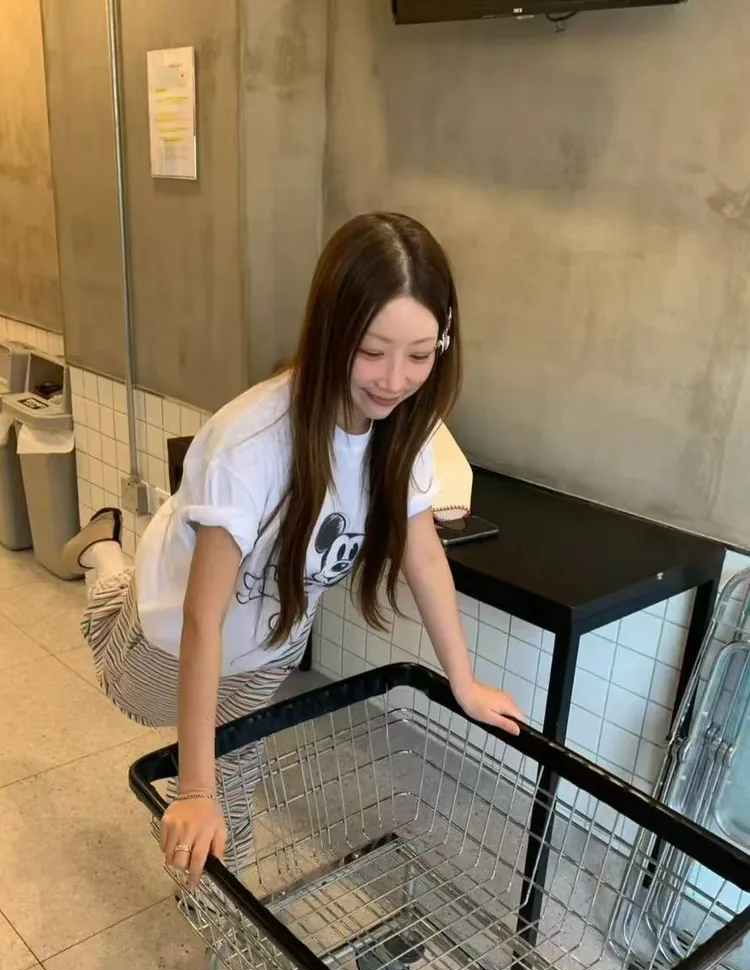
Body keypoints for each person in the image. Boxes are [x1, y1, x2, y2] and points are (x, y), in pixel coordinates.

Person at [63, 212, 522, 889]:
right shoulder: (251, 440)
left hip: (269, 644)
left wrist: (464, 679)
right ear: (331, 329)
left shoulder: (406, 431)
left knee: (235, 775)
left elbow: (424, 558)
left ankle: (212, 900)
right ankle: (103, 552)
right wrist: (191, 787)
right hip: (168, 630)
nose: (395, 379)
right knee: (133, 695)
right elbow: (202, 618)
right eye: (372, 351)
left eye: (420, 355)